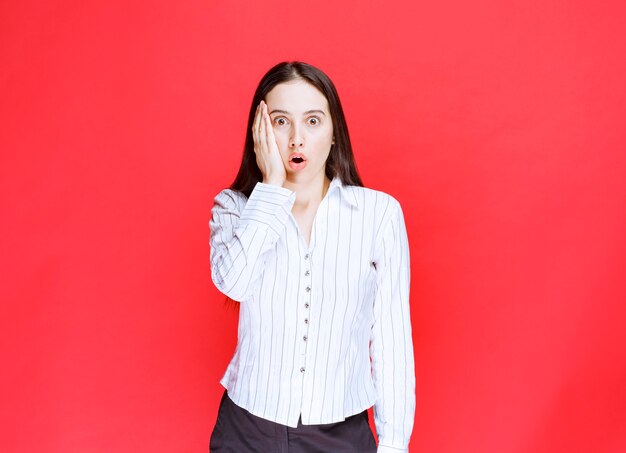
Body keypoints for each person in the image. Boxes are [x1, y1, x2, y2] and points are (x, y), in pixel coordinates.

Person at [209, 61, 415, 452]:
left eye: (314, 121)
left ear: (335, 132)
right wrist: (270, 187)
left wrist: (393, 445)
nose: (296, 140)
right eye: (281, 121)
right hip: (246, 430)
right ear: (259, 131)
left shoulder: (379, 215)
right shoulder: (235, 208)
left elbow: (391, 341)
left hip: (340, 435)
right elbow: (234, 284)